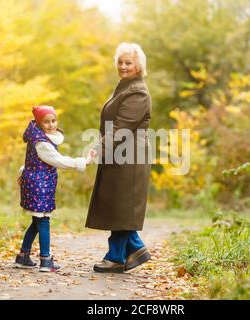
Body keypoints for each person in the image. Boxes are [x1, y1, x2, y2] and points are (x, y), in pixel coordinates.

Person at [86, 43, 152, 273]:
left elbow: (120, 128)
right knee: (119, 207)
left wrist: (98, 148)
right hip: (120, 155)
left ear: (138, 66)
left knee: (122, 208)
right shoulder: (125, 87)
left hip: (130, 158)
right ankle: (135, 248)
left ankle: (115, 257)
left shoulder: (138, 92)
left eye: (128, 63)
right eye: (120, 62)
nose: (123, 66)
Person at [15, 105, 95, 272]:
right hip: (39, 186)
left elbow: (34, 161)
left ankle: (23, 256)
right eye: (46, 122)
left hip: (40, 183)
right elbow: (58, 160)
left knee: (37, 222)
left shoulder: (41, 137)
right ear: (38, 123)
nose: (51, 125)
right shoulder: (42, 142)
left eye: (53, 120)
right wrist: (83, 162)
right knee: (44, 221)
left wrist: (24, 170)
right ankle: (46, 260)